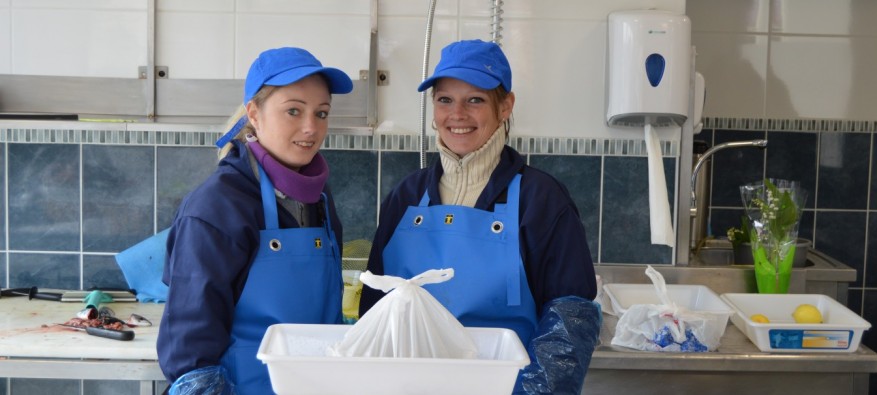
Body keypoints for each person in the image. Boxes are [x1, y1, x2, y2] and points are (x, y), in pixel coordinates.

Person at [358, 39, 602, 394]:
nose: (457, 114)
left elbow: (570, 318)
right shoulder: (406, 196)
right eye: (445, 100)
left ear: (505, 106)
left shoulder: (541, 199)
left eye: (475, 100)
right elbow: (376, 313)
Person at [157, 47, 353, 395]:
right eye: (293, 110)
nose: (311, 128)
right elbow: (191, 337)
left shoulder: (319, 198)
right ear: (254, 113)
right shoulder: (218, 205)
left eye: (321, 113)